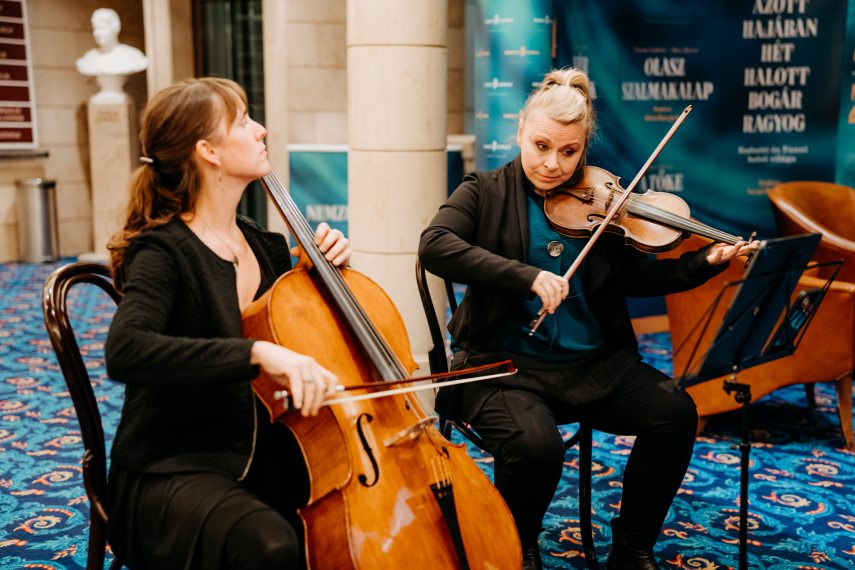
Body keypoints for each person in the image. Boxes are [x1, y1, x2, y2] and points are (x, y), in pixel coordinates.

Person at [418, 67, 758, 570]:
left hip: (592, 365)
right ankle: (517, 546)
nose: (553, 164)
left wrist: (700, 264)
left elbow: (637, 277)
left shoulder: (603, 199)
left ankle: (632, 547)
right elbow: (435, 246)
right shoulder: (484, 191)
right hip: (503, 367)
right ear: (520, 134)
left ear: (583, 147)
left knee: (675, 415)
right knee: (537, 448)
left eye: (569, 151)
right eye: (540, 146)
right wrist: (526, 277)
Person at [104, 77, 350, 569]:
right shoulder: (163, 250)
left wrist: (328, 274)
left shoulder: (266, 246)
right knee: (272, 546)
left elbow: (310, 338)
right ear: (208, 151)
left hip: (266, 449)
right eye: (242, 120)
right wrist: (255, 354)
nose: (261, 130)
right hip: (174, 468)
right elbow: (126, 349)